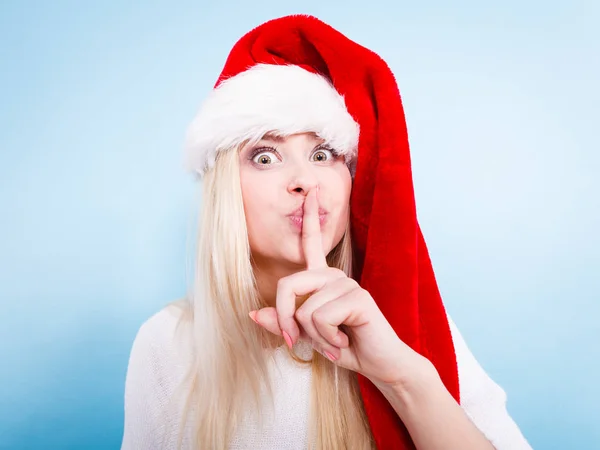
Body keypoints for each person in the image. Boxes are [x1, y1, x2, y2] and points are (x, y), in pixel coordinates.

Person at [121, 14, 532, 450]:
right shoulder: (167, 343)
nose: (305, 180)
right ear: (225, 192)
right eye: (265, 157)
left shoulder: (406, 324)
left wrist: (402, 375)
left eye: (323, 153)